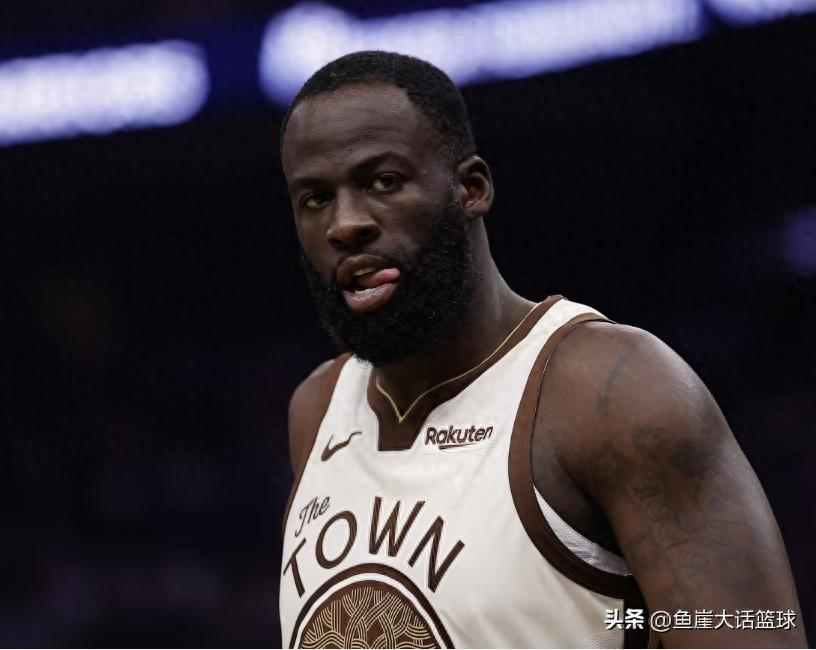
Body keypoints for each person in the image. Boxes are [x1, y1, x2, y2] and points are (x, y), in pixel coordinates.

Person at [277, 50, 806, 648]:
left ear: (471, 188)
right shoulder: (316, 411)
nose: (345, 224)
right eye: (315, 198)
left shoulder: (613, 394)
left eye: (384, 182)